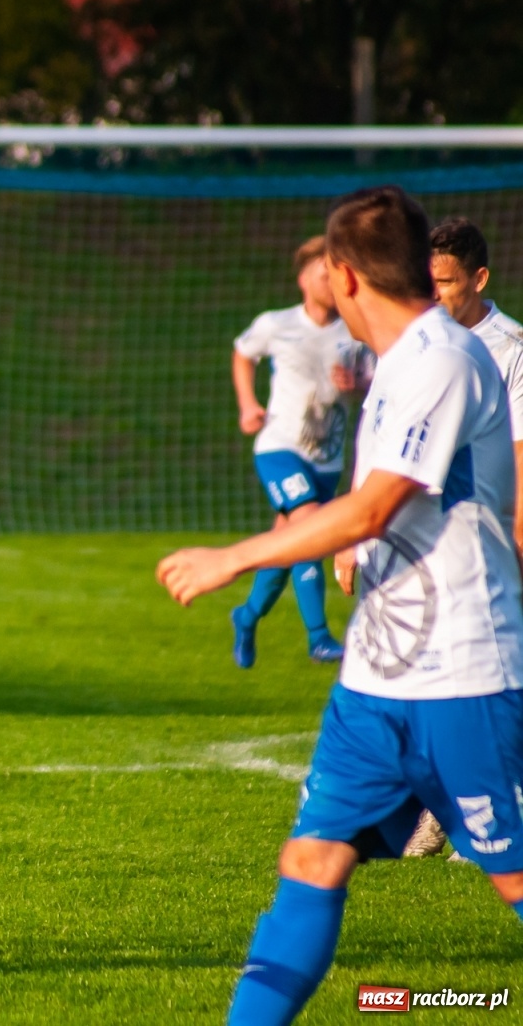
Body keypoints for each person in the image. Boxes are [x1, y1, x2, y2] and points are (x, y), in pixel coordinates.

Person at [158, 186, 523, 1026]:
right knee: (313, 857)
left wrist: (231, 558)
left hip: (464, 671)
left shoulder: (443, 357)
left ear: (346, 276)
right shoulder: (397, 363)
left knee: (509, 873)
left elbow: (369, 509)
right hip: (379, 681)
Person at [399, 217, 523, 859]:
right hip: (428, 540)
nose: (434, 295)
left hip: (491, 542)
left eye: (445, 283)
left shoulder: (511, 350)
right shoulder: (419, 345)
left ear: (479, 279)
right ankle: (445, 804)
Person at [227, 236, 361, 668]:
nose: (333, 283)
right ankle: (319, 637)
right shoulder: (276, 323)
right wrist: (248, 405)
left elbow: (379, 379)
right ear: (304, 279)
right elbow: (242, 354)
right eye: (325, 274)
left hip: (327, 458)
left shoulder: (356, 330)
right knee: (309, 527)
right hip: (279, 449)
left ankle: (246, 616)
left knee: (284, 545)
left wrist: (358, 385)